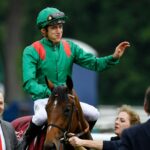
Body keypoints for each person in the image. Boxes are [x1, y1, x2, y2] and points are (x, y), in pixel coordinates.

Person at [22, 7, 130, 149]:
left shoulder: (70, 47)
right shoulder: (31, 51)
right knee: (40, 117)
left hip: (67, 100)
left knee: (93, 113)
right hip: (45, 100)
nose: (59, 30)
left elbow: (94, 63)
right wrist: (52, 93)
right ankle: (23, 144)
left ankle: (80, 141)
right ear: (44, 31)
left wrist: (113, 57)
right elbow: (29, 83)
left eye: (60, 27)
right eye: (54, 28)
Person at [68, 105, 140, 150]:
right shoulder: (115, 141)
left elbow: (111, 146)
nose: (117, 122)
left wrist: (81, 142)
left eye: (122, 120)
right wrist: (76, 144)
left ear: (132, 126)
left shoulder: (133, 143)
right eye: (116, 119)